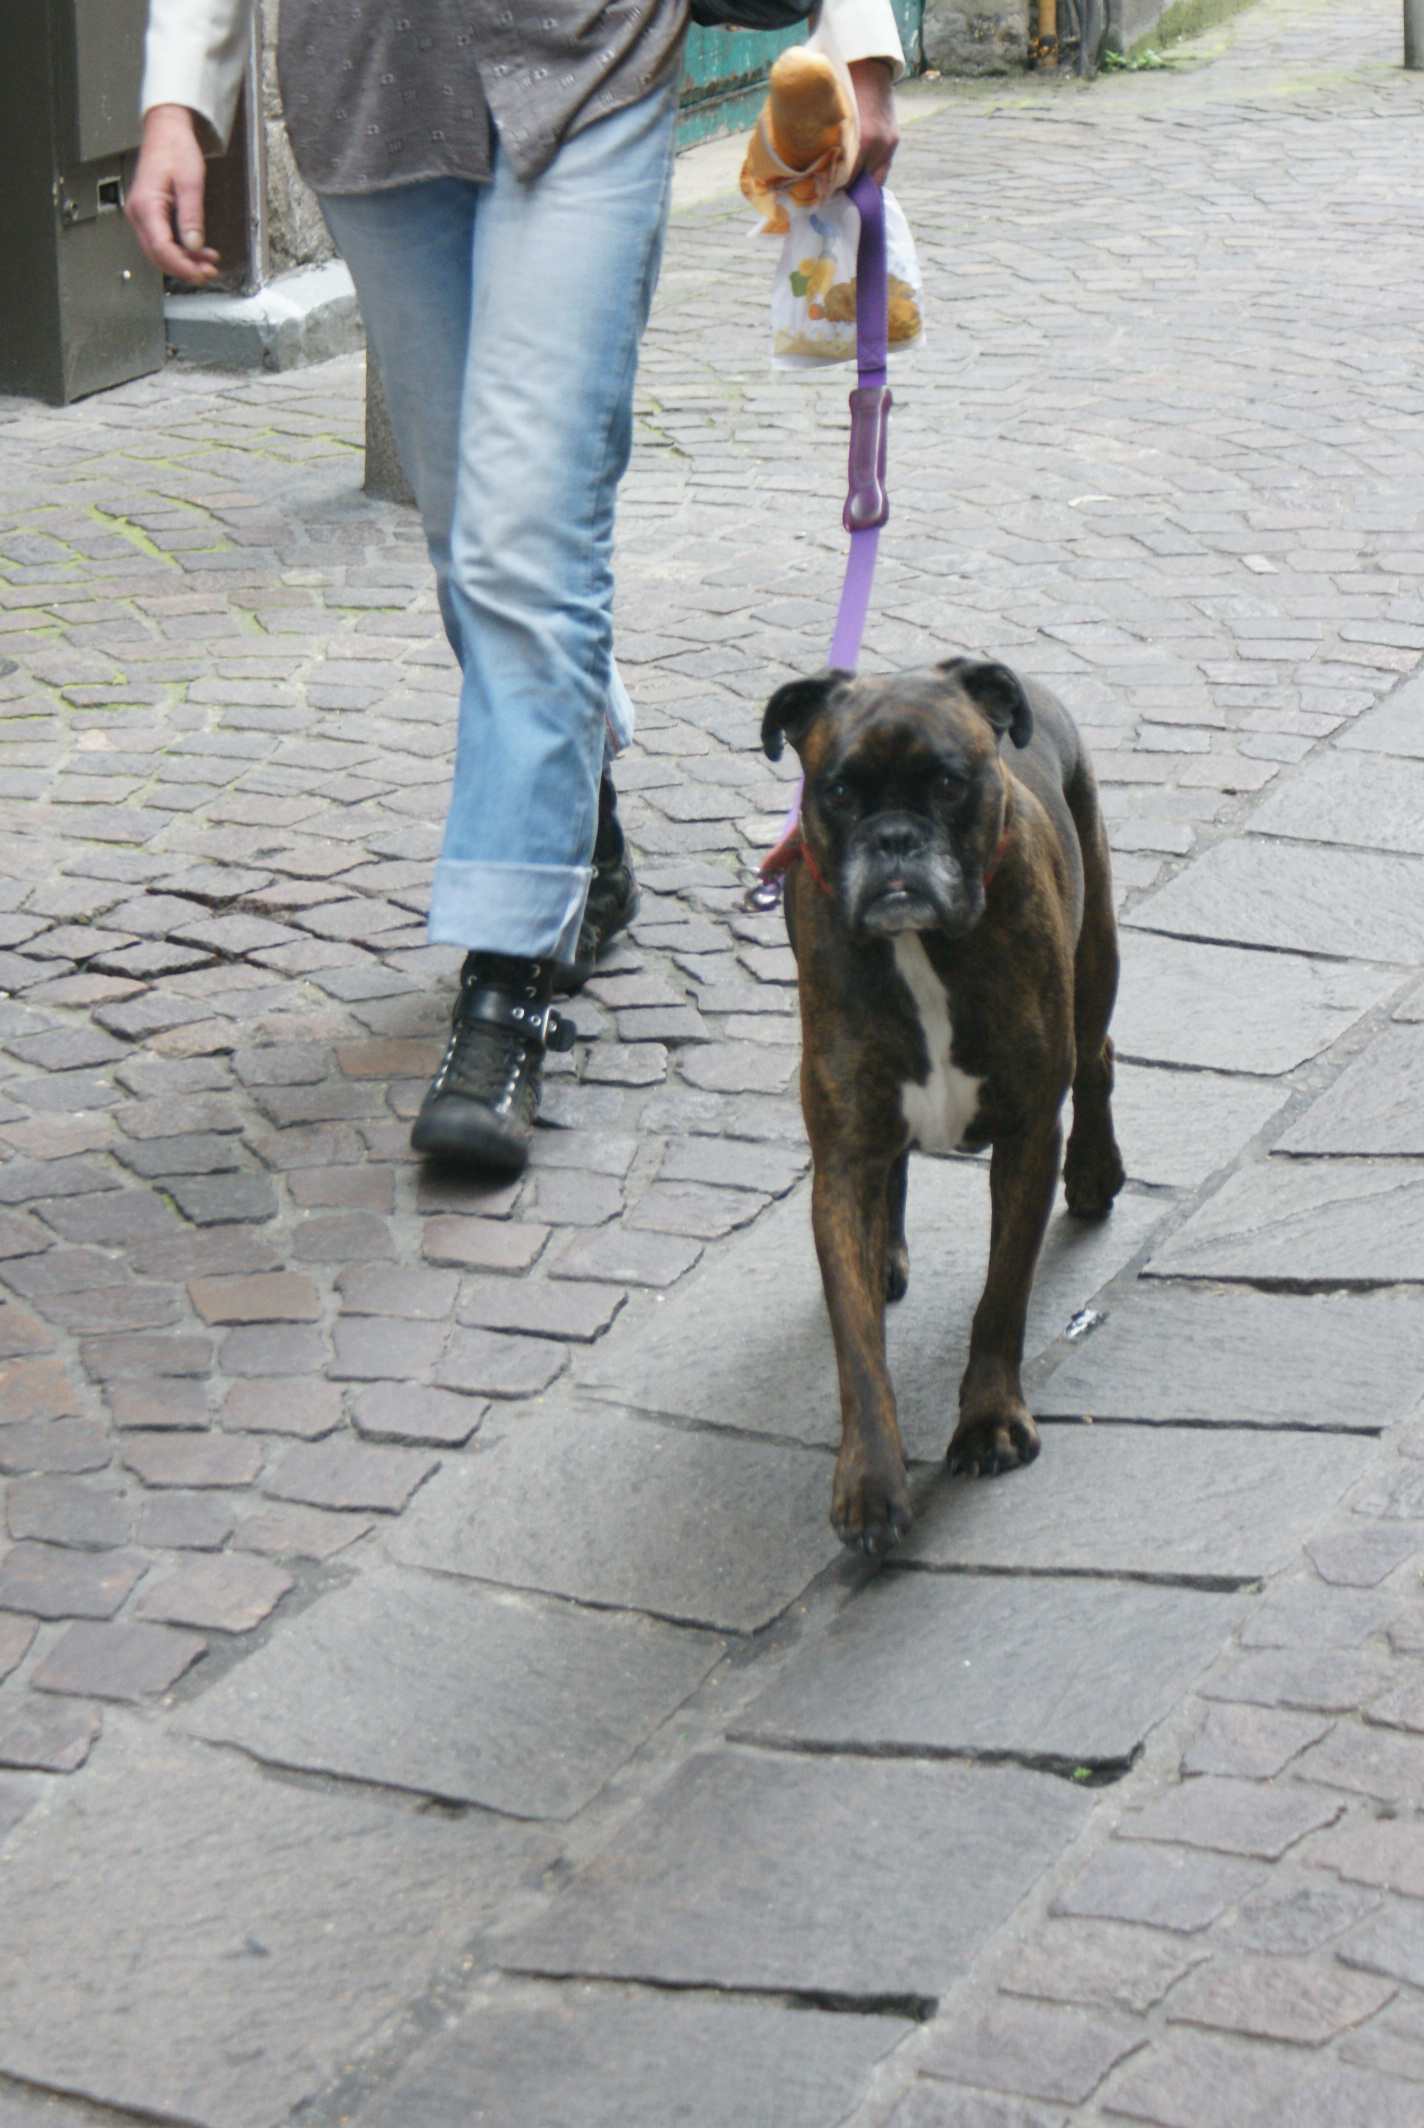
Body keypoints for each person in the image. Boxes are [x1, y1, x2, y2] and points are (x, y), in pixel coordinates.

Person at [127, 1, 903, 1180]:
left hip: (592, 54)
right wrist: (177, 97)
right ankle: (578, 824)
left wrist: (861, 49)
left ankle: (505, 990)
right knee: (466, 537)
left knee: (525, 540)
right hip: (371, 85)